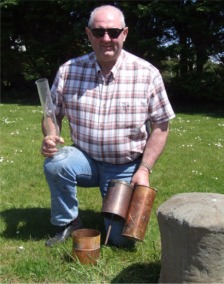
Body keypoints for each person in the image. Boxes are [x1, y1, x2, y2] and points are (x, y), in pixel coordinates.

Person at [40, 4, 175, 247]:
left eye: (113, 32)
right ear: (88, 34)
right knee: (56, 163)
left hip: (124, 166)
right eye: (98, 32)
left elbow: (161, 125)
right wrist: (51, 134)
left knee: (120, 240)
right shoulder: (69, 70)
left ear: (124, 33)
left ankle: (113, 216)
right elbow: (52, 113)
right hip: (84, 159)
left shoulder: (147, 74)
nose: (106, 38)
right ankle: (68, 222)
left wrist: (144, 169)